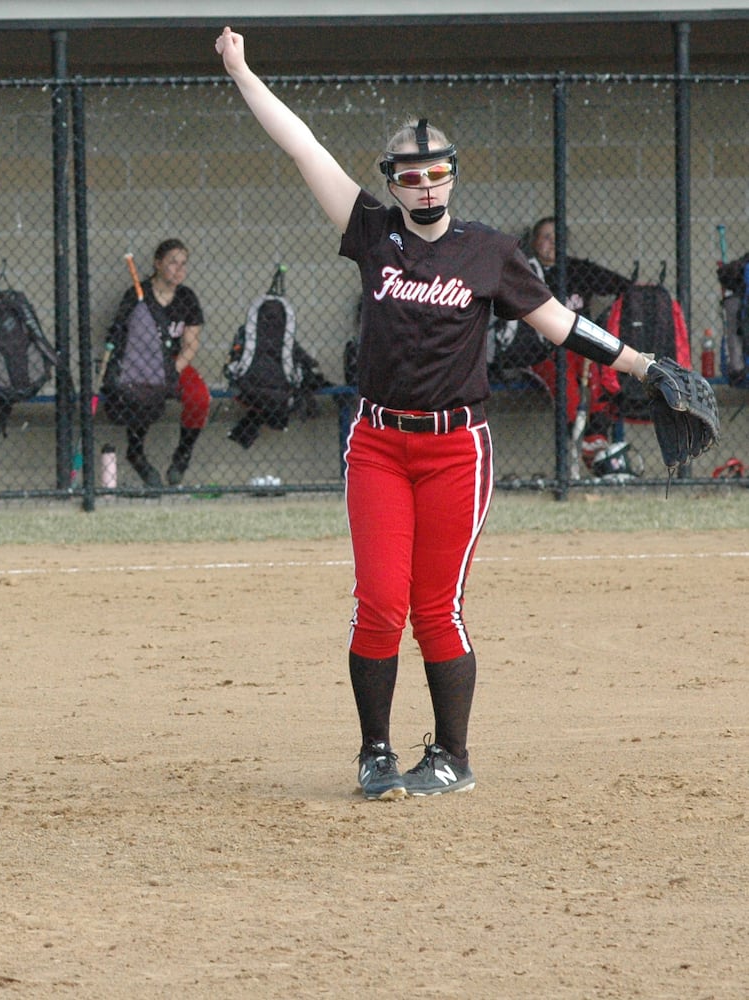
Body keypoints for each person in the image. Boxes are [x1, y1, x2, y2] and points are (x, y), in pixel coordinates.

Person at [217, 27, 662, 800]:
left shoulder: (487, 251)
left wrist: (644, 365)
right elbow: (302, 148)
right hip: (380, 444)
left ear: (453, 178)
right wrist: (241, 70)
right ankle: (374, 753)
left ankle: (451, 757)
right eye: (409, 176)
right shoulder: (370, 233)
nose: (425, 187)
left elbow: (557, 323)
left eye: (437, 174)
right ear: (390, 182)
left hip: (457, 448)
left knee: (435, 607)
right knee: (379, 603)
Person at [102, 238, 210, 486]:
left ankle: (182, 455)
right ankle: (136, 452)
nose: (179, 269)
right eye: (173, 263)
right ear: (158, 264)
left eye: (184, 264)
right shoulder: (137, 294)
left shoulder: (187, 297)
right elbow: (122, 338)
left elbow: (191, 345)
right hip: (142, 360)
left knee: (199, 397)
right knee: (141, 394)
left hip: (173, 362)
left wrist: (173, 369)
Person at [518, 216, 636, 429]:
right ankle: (574, 428)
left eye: (557, 237)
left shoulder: (577, 269)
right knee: (561, 370)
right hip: (542, 351)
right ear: (535, 242)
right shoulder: (526, 272)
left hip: (578, 345)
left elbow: (624, 286)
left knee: (596, 359)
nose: (553, 242)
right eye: (546, 237)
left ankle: (597, 431)